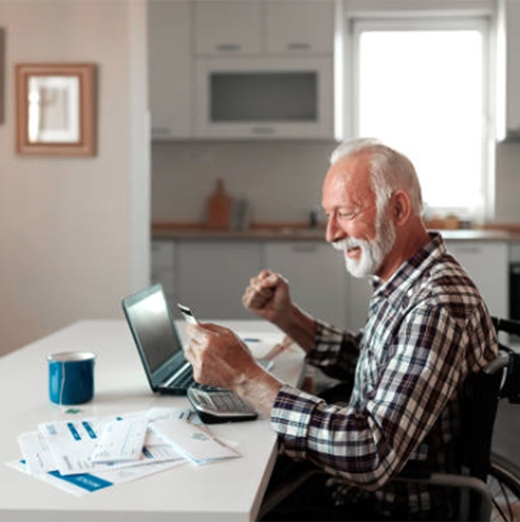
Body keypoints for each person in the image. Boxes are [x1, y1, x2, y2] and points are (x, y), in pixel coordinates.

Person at [183, 138, 499, 520]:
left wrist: (246, 379)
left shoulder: (438, 304)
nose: (330, 233)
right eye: (329, 214)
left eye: (345, 213)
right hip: (356, 489)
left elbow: (371, 452)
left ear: (398, 208)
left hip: (384, 508)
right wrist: (288, 319)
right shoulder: (408, 280)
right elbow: (367, 358)